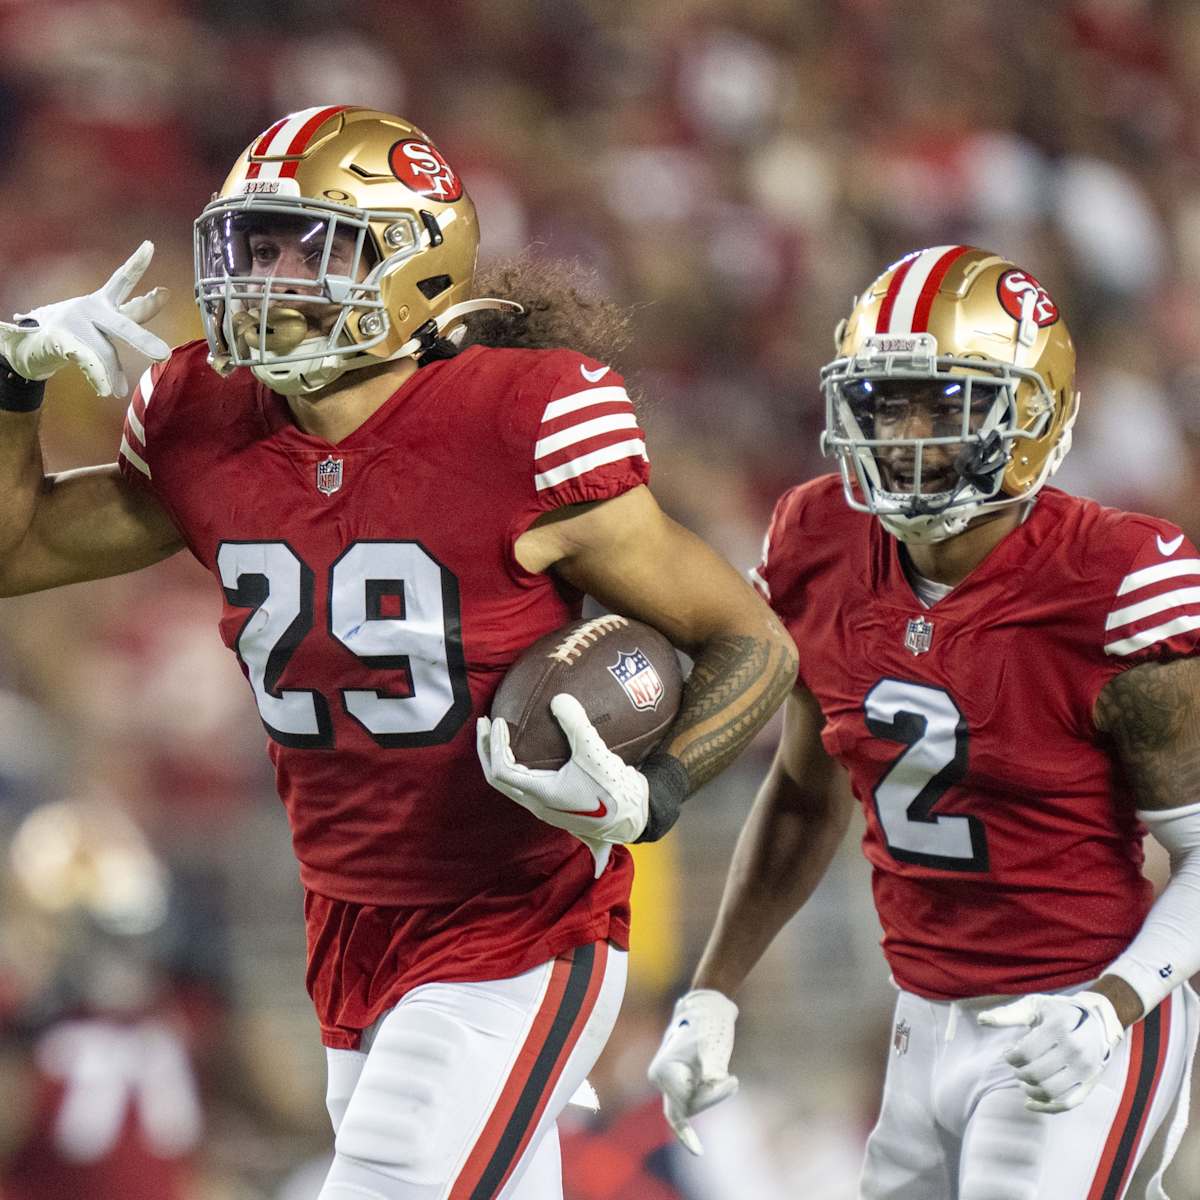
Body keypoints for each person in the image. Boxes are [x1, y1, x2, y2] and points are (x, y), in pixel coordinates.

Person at [0, 106, 798, 1200]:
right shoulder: (203, 418)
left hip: (518, 920)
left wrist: (654, 790)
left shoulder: (518, 423)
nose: (263, 279)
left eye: (303, 247)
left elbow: (749, 638)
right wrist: (13, 379)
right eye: (253, 245)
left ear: (415, 268)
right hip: (344, 920)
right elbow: (16, 550)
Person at [648, 245, 1200, 1198]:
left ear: (1031, 416)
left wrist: (1114, 1006)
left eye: (943, 404)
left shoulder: (1113, 581)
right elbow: (801, 788)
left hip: (1077, 1022)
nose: (903, 433)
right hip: (918, 1021)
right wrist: (711, 990)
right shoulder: (817, 538)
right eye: (884, 401)